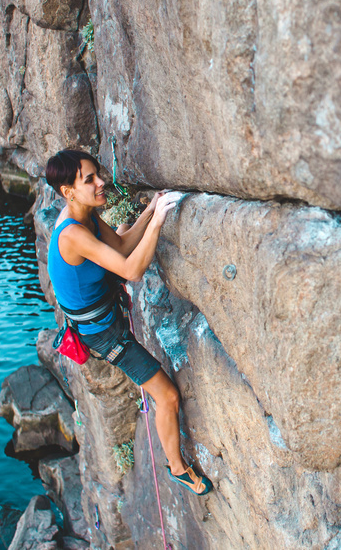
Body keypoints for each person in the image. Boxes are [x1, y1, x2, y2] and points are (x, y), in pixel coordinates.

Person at [44, 149, 212, 496]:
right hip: (104, 335)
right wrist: (160, 222)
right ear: (68, 192)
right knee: (166, 397)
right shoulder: (72, 234)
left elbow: (121, 245)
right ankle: (178, 469)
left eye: (98, 174)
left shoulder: (84, 214)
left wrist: (152, 210)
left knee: (119, 230)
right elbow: (131, 269)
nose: (101, 182)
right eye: (89, 179)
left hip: (102, 319)